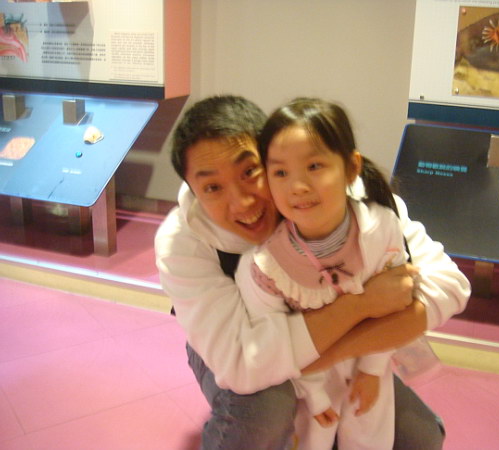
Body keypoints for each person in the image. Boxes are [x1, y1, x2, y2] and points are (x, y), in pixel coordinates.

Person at [155, 95, 471, 449]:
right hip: (229, 339)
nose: (242, 201)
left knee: (421, 437)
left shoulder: (338, 198)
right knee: (264, 409)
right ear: (195, 191)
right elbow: (239, 363)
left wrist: (345, 356)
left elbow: (448, 285)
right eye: (213, 187)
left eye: (250, 172)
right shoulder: (182, 242)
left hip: (331, 346)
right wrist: (362, 304)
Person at [234, 97, 415, 449]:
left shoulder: (381, 228)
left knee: (370, 438)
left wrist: (372, 369)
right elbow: (279, 340)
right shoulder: (269, 264)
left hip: (372, 362)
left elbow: (396, 306)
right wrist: (315, 394)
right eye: (280, 173)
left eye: (314, 166)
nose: (297, 186)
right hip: (309, 380)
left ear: (351, 168)